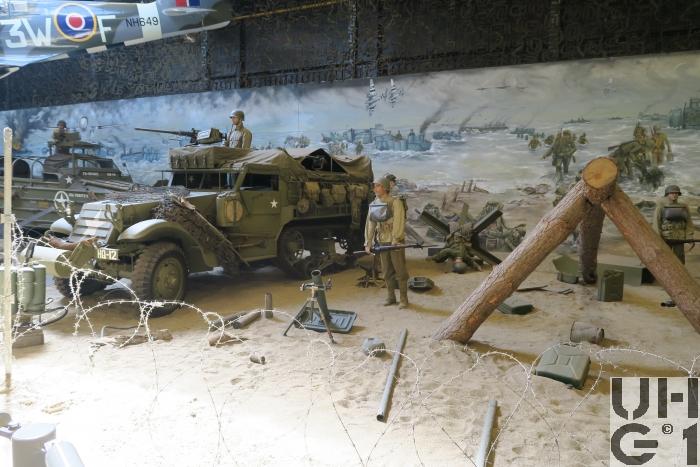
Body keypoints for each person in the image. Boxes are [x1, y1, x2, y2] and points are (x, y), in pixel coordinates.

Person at [364, 177, 410, 308]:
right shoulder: (374, 204)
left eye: (378, 185)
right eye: (374, 186)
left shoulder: (395, 202)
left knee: (400, 271)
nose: (375, 188)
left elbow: (399, 221)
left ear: (385, 187)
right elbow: (370, 224)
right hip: (382, 241)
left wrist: (396, 238)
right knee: (386, 271)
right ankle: (391, 297)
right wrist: (368, 242)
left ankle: (403, 299)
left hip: (395, 241)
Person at [654, 185, 694, 306]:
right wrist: (658, 238)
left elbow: (688, 222)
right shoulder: (661, 206)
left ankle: (680, 285)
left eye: (676, 193)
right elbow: (656, 223)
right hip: (666, 239)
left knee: (679, 262)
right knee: (665, 262)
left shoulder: (684, 207)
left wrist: (689, 236)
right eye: (672, 193)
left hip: (679, 239)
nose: (674, 195)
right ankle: (667, 284)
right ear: (667, 194)